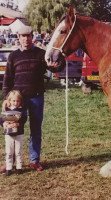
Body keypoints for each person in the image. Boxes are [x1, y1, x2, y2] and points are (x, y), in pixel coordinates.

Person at [1, 25, 65, 172]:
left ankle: (34, 160)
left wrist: (58, 63)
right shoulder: (13, 56)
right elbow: (8, 79)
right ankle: (10, 162)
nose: (26, 39)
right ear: (18, 38)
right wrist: (6, 98)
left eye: (28, 36)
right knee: (13, 130)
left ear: (32, 37)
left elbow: (56, 67)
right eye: (23, 36)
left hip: (37, 98)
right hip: (17, 101)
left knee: (35, 130)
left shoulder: (42, 54)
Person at [0, 90, 27, 176]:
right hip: (8, 134)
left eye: (18, 101)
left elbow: (24, 119)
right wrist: (4, 124)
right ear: (9, 100)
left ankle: (19, 167)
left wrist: (18, 123)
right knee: (9, 151)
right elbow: (1, 119)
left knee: (18, 151)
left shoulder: (21, 110)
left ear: (20, 101)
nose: (16, 103)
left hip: (19, 133)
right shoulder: (6, 109)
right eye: (14, 100)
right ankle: (9, 168)